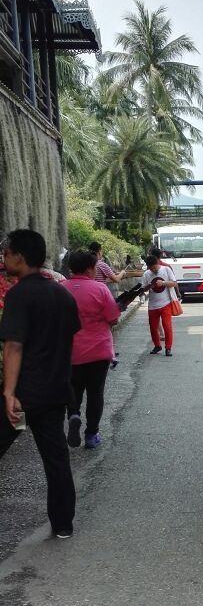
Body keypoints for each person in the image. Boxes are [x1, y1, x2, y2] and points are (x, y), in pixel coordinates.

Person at [0, 229, 80, 539]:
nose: (4, 259)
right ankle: (63, 524)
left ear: (19, 256)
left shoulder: (20, 294)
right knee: (56, 459)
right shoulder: (62, 293)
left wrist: (8, 392)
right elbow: (68, 337)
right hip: (56, 390)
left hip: (24, 394)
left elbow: (14, 346)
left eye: (6, 254)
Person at [64, 248, 121, 449]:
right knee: (95, 394)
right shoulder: (100, 289)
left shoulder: (61, 288)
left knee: (73, 391)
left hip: (69, 352)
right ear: (90, 268)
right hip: (98, 351)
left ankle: (73, 414)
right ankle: (91, 435)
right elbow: (113, 318)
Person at [141, 255, 179, 356]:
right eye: (151, 268)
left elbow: (174, 283)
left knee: (167, 326)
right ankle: (157, 345)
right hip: (152, 305)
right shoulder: (146, 274)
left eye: (154, 267)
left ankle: (168, 348)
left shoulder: (166, 269)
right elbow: (143, 289)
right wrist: (148, 286)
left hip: (166, 303)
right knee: (153, 327)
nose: (153, 270)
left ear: (158, 263)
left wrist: (163, 283)